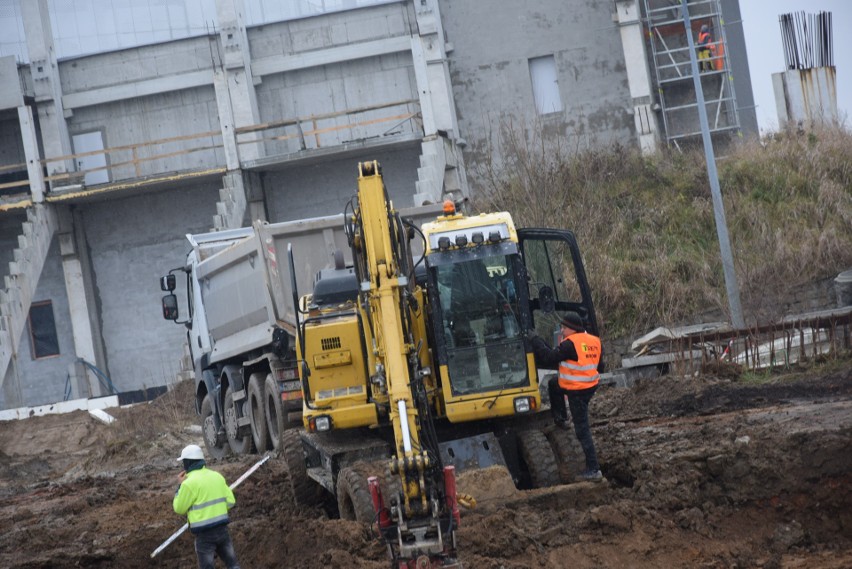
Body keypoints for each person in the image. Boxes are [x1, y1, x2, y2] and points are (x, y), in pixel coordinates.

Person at [528, 311, 603, 482]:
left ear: (572, 328)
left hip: (576, 390)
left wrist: (536, 340)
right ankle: (560, 417)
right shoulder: (594, 341)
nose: (561, 330)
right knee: (554, 384)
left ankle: (594, 469)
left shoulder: (570, 344)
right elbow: (601, 365)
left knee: (582, 430)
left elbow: (548, 357)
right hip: (589, 386)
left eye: (564, 327)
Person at [173, 444, 241, 569]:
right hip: (222, 530)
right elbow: (231, 501)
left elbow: (179, 508)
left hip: (204, 535)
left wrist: (179, 487)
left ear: (187, 463)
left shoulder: (188, 483)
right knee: (233, 564)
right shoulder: (217, 476)